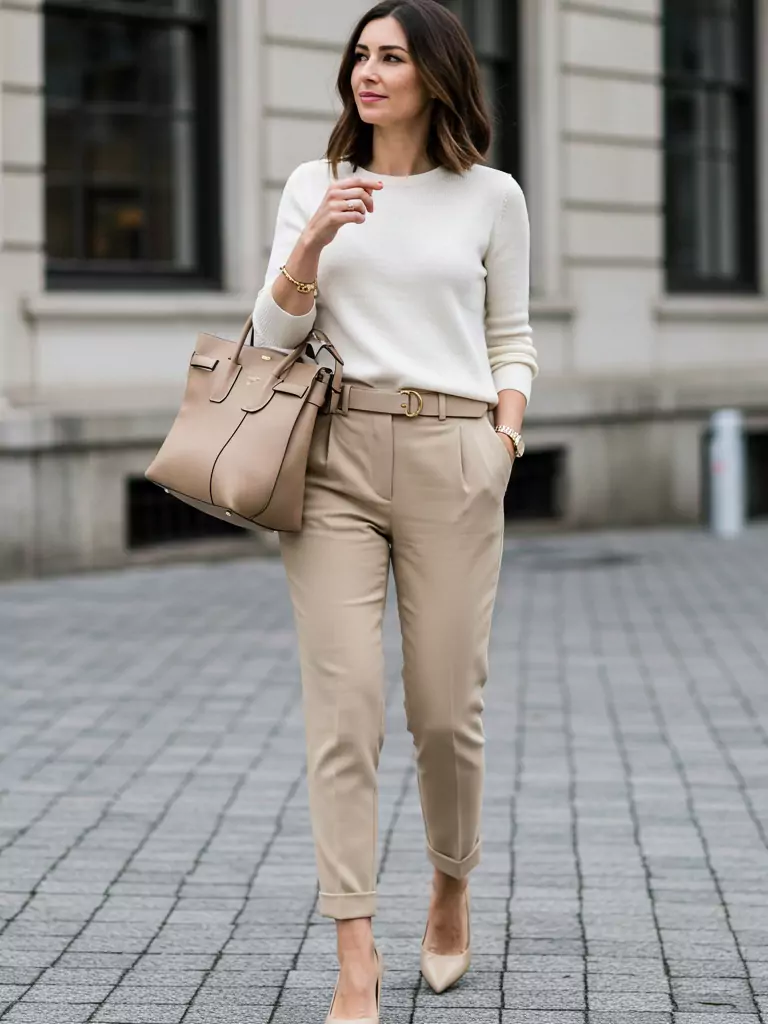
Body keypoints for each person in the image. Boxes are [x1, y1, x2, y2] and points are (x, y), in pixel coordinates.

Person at [251, 1, 537, 1020]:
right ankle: (355, 957)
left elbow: (513, 336)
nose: (368, 73)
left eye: (392, 58)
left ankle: (451, 886)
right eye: (360, 56)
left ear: (437, 77)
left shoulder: (490, 197)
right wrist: (313, 243)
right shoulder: (312, 186)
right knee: (345, 711)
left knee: (444, 711)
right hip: (330, 459)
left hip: (456, 455)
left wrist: (501, 442)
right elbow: (269, 334)